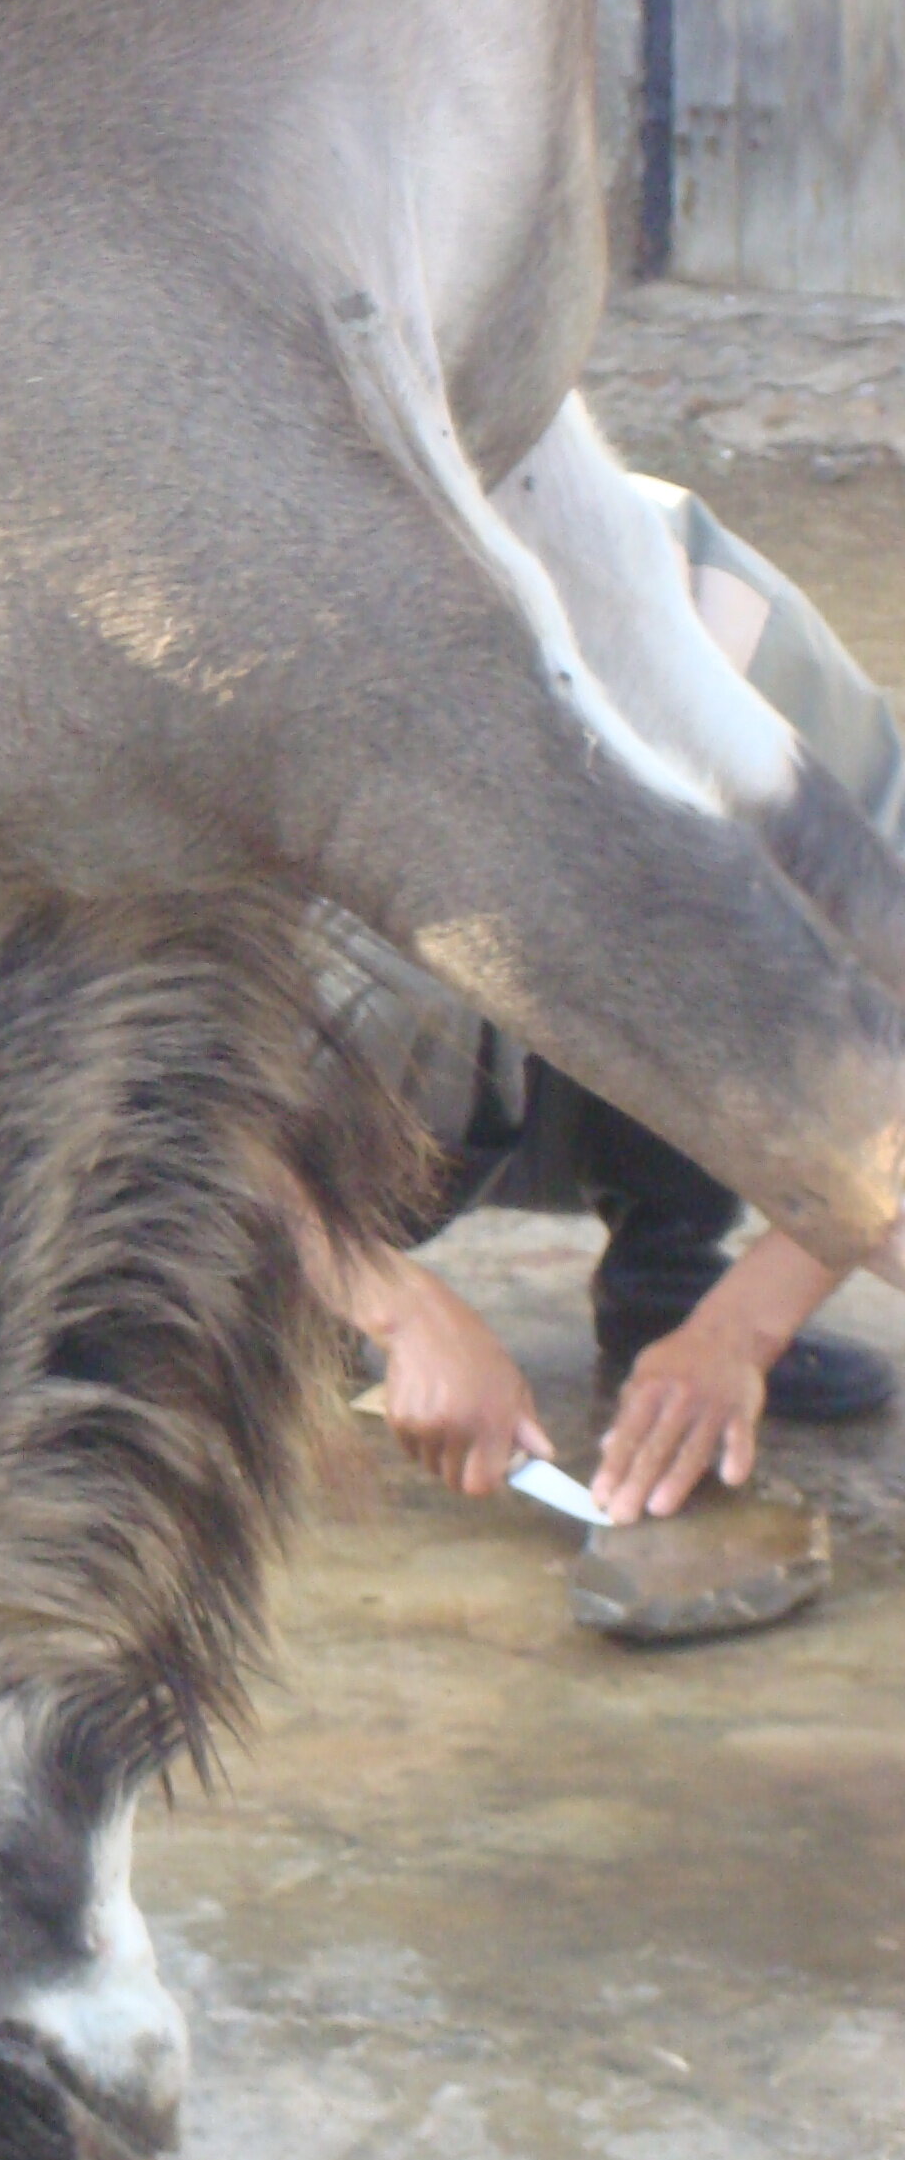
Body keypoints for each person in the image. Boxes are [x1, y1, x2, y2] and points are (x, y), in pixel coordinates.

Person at [319, 480, 905, 1529]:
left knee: (761, 955)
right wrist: (389, 1306)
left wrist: (744, 1326)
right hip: (345, 1078)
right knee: (199, 1242)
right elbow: (135, 1122)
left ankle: (668, 1270)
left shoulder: (736, 647)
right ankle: (271, 1311)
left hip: (526, 987)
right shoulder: (268, 695)